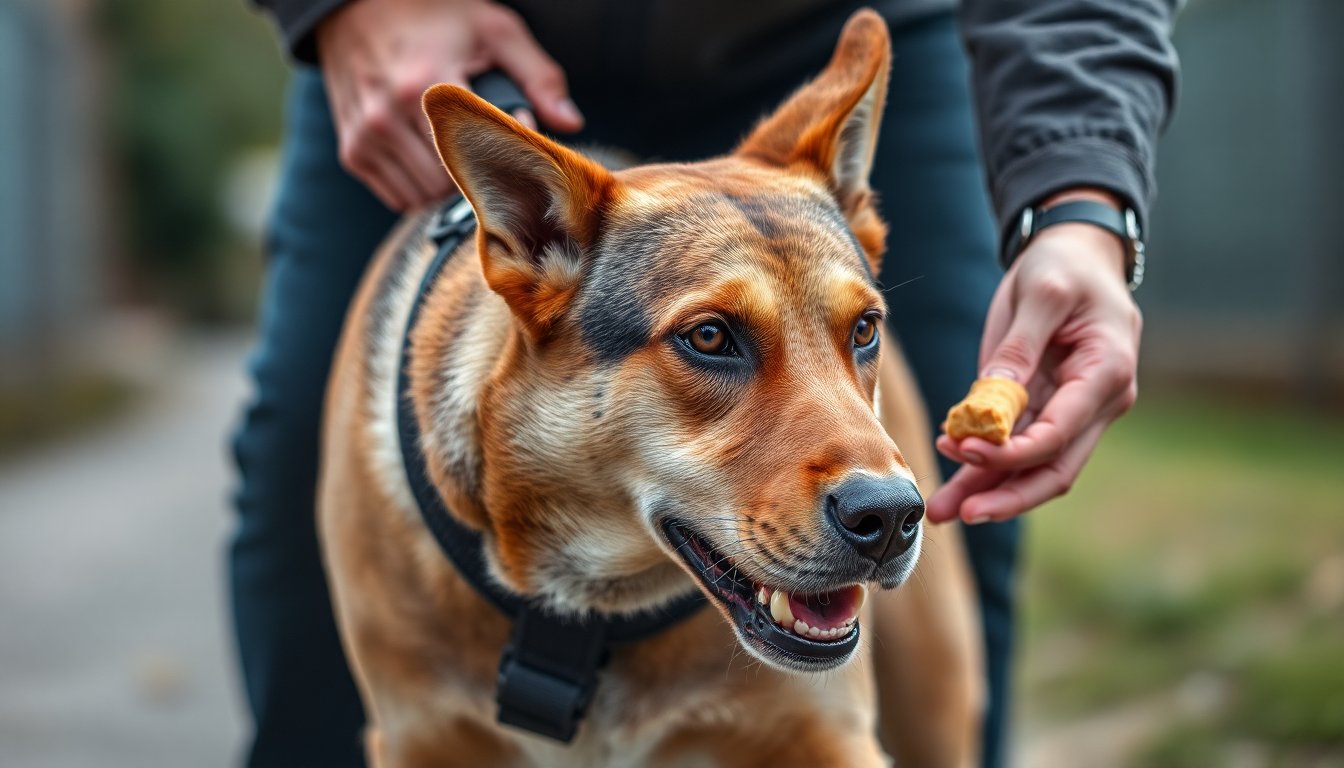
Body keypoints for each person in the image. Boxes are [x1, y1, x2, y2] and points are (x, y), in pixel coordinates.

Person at [231, 1, 1178, 766]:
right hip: (440, 31)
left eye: (861, 334)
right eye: (714, 339)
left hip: (818, 31)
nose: (877, 490)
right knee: (288, 477)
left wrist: (1081, 202)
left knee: (971, 502)